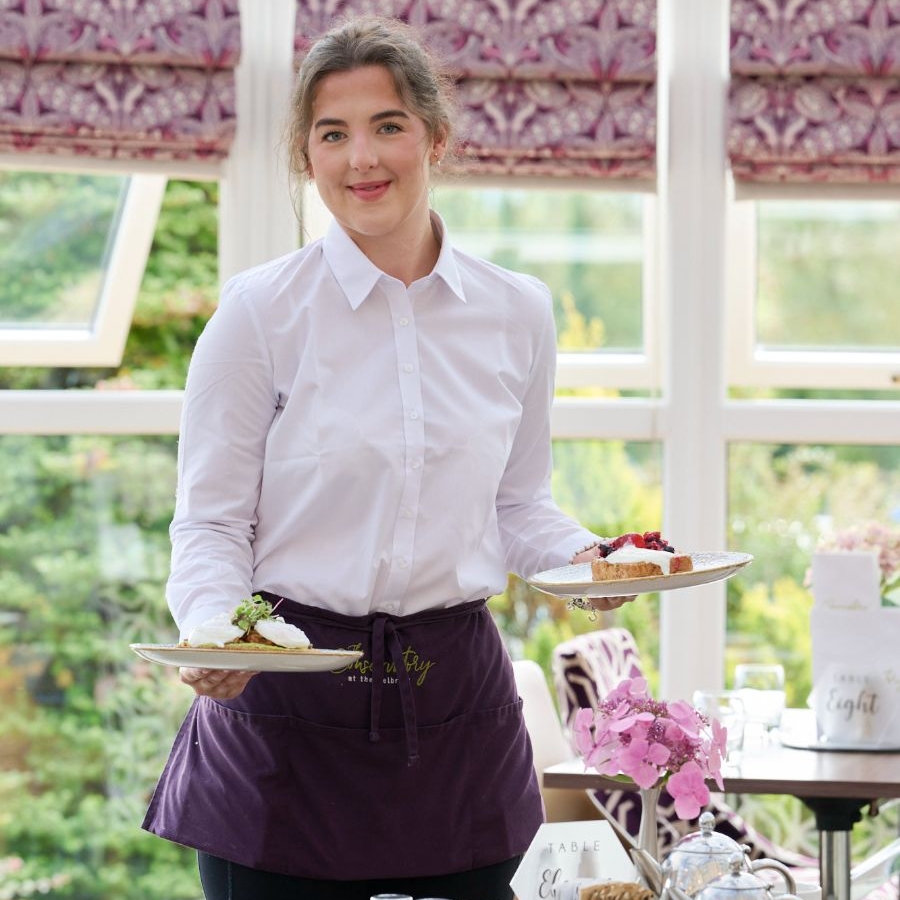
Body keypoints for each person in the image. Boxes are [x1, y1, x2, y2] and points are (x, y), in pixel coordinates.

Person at [142, 15, 632, 900]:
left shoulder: (517, 311)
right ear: (306, 157)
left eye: (388, 126)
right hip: (282, 707)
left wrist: (587, 562)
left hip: (455, 718)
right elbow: (211, 520)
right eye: (332, 134)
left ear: (436, 136)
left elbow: (517, 504)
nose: (361, 157)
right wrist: (217, 630)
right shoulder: (258, 316)